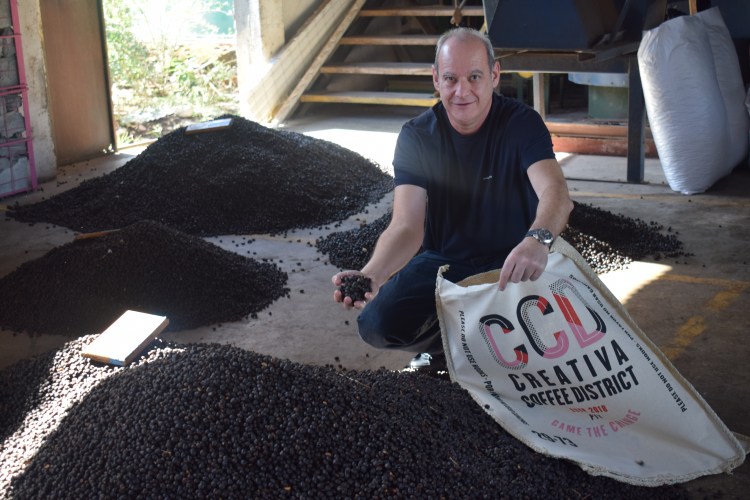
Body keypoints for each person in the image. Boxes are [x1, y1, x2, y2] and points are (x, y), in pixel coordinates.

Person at [332, 27, 574, 374]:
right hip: (446, 263)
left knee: (551, 339)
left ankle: (485, 342)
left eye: (474, 77)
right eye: (450, 79)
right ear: (436, 79)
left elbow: (556, 194)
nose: (462, 91)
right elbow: (406, 226)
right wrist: (372, 274)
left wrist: (537, 241)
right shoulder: (418, 136)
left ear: (494, 75)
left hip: (515, 262)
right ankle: (446, 348)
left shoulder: (521, 124)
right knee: (376, 324)